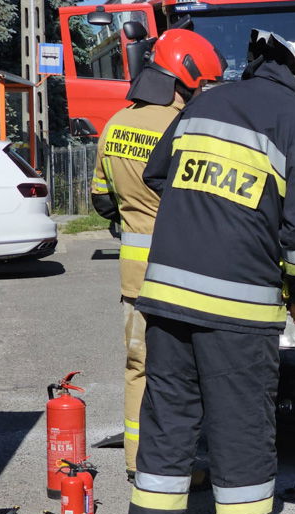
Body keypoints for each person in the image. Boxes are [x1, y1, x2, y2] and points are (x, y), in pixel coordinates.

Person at [125, 30, 295, 514]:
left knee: (168, 421)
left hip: (165, 298)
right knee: (241, 429)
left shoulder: (207, 101)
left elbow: (157, 173)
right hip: (236, 310)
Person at [90, 29, 225, 480]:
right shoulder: (187, 125)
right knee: (189, 375)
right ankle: (183, 467)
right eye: (200, 85)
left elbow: (102, 200)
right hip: (185, 270)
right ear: (184, 81)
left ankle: (137, 465)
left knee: (139, 369)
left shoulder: (116, 124)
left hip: (134, 276)